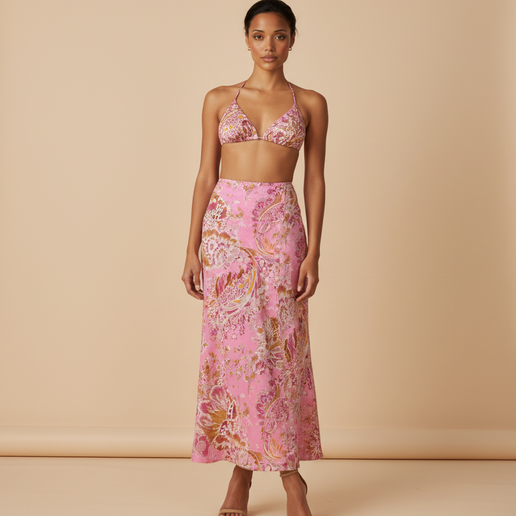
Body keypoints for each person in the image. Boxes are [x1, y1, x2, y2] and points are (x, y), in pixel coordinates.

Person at [181, 1, 328, 514]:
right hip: (226, 233)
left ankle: (290, 475)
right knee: (235, 354)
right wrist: (191, 247)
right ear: (246, 40)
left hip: (281, 231)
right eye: (260, 35)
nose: (269, 45)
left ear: (292, 40)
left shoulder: (311, 102)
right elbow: (206, 174)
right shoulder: (219, 99)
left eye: (280, 35)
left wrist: (314, 251)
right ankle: (241, 477)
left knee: (282, 351)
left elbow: (314, 178)